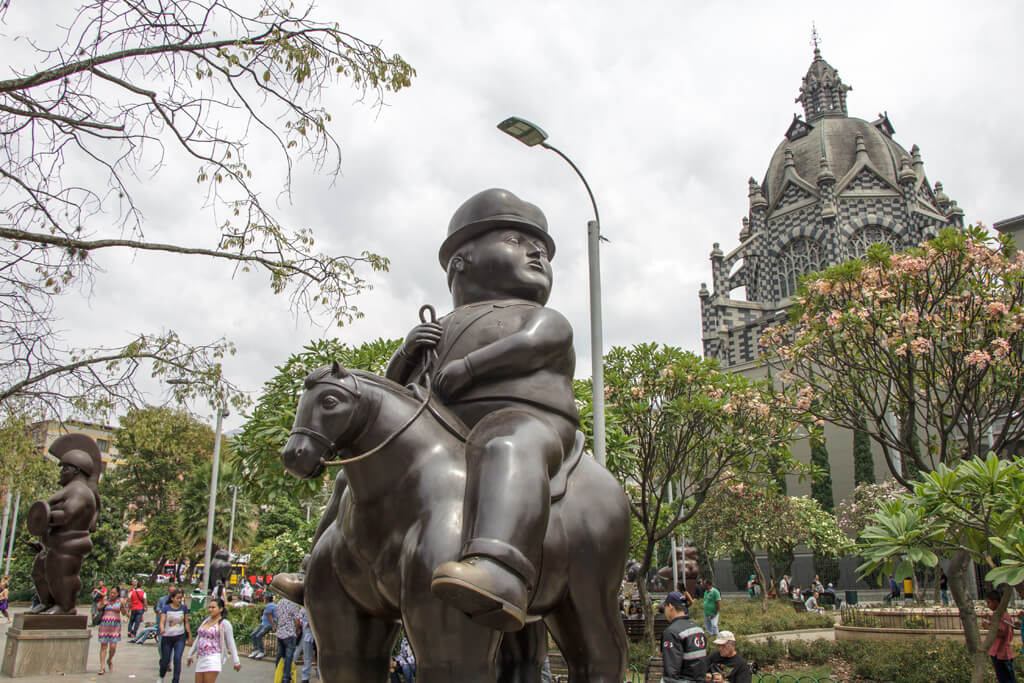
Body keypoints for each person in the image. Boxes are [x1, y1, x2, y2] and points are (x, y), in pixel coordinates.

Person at [385, 188, 578, 632]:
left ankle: (499, 568)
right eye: (515, 240)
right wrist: (405, 353)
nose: (536, 252)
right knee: (362, 464)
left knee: (505, 442)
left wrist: (470, 368)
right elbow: (394, 394)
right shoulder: (439, 327)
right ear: (460, 262)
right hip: (444, 431)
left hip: (529, 423)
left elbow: (536, 344)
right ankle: (323, 561)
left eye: (543, 250)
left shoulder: (539, 317)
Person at [186, 597, 241, 681]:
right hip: (201, 657)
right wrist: (190, 654)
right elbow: (199, 638)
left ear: (221, 609)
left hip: (213, 657)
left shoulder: (224, 624)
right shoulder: (206, 621)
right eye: (209, 607)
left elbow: (231, 643)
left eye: (213, 607)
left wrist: (236, 661)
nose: (210, 610)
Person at [659, 591, 707, 683]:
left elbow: (671, 671)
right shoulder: (698, 628)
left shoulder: (672, 632)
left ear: (670, 606)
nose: (664, 611)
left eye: (665, 607)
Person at [981, 589, 1018, 683]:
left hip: (1002, 653)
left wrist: (988, 627)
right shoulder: (997, 615)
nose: (987, 605)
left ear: (995, 602)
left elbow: (1002, 633)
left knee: (1007, 679)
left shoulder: (1003, 616)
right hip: (997, 652)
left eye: (988, 603)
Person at [158, 588, 191, 683]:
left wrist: (189, 636)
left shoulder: (183, 608)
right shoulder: (166, 608)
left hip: (180, 638)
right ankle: (161, 676)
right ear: (172, 598)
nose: (179, 600)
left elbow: (186, 622)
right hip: (167, 638)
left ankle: (176, 680)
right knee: (165, 660)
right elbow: (162, 621)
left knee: (177, 658)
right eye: (177, 598)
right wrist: (162, 629)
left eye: (181, 598)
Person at [96, 585, 129, 675]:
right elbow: (98, 609)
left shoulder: (120, 601)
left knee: (113, 647)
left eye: (114, 593)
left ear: (118, 594)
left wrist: (123, 607)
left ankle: (109, 659)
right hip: (104, 626)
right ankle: (102, 667)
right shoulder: (106, 600)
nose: (112, 594)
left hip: (115, 627)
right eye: (111, 592)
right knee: (103, 646)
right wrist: (103, 604)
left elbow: (124, 613)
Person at [274, 596, 302, 683]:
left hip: (280, 633)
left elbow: (278, 617)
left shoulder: (279, 603)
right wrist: (297, 630)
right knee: (288, 658)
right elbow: (298, 621)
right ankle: (286, 678)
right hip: (290, 634)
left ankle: (278, 674)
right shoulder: (293, 604)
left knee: (280, 656)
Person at [248, 594, 275, 659]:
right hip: (263, 623)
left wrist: (273, 626)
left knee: (258, 636)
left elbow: (270, 616)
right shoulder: (269, 605)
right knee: (253, 634)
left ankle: (262, 651)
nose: (263, 599)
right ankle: (256, 650)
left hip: (268, 624)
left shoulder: (270, 606)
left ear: (267, 599)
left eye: (265, 598)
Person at [299, 606, 318, 683]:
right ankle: (305, 677)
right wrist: (306, 623)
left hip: (318, 636)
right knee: (307, 657)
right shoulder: (304, 608)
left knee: (319, 657)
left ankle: (319, 675)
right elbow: (300, 619)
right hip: (308, 635)